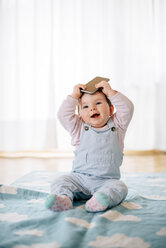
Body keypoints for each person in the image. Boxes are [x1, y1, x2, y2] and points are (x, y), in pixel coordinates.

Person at [45, 80, 134, 212]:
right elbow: (62, 115)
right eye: (85, 107)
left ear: (110, 109)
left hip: (106, 181)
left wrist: (111, 92)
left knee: (120, 187)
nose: (92, 108)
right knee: (60, 181)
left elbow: (127, 108)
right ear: (80, 115)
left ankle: (101, 200)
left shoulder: (118, 125)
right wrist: (74, 97)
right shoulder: (78, 127)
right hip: (79, 179)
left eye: (98, 103)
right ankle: (64, 199)